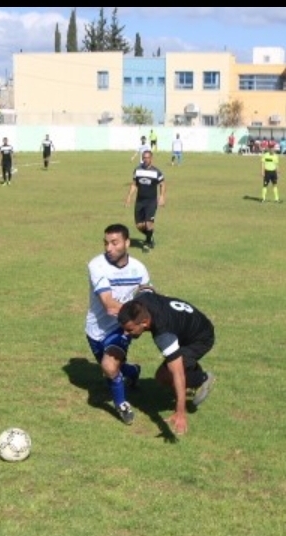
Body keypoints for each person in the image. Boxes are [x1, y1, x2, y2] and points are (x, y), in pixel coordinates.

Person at [117, 290, 215, 436]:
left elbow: (177, 373)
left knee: (164, 376)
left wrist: (180, 413)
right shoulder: (141, 301)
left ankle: (202, 378)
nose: (125, 333)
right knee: (172, 370)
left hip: (200, 338)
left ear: (144, 323)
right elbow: (146, 288)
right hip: (186, 327)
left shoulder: (163, 334)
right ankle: (191, 368)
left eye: (129, 329)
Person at [86, 223, 151, 426]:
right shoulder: (96, 265)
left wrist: (142, 317)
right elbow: (109, 305)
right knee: (111, 369)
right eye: (106, 243)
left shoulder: (139, 268)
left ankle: (122, 404)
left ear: (127, 243)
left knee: (109, 365)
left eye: (114, 243)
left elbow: (148, 297)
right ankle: (133, 371)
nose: (109, 248)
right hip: (95, 328)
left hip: (121, 327)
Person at [124, 149, 165, 252]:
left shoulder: (156, 172)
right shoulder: (137, 170)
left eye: (148, 158)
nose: (146, 160)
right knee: (139, 225)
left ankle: (147, 244)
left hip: (151, 201)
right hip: (140, 201)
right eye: (144, 158)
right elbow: (134, 184)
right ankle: (150, 235)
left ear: (151, 158)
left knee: (148, 223)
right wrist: (129, 197)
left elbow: (162, 184)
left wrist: (162, 196)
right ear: (142, 158)